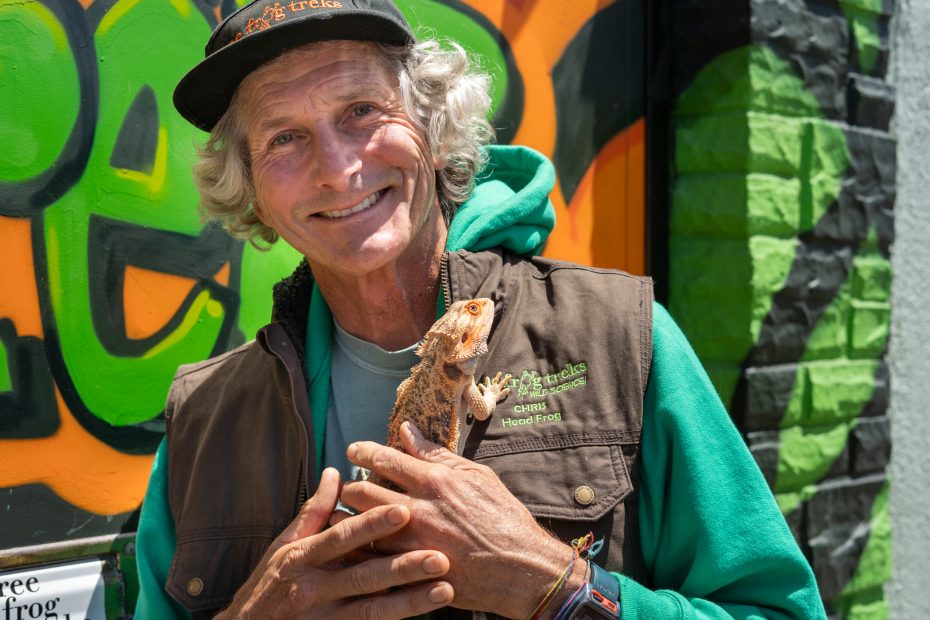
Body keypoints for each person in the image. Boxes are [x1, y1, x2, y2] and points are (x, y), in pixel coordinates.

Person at [134, 0, 827, 618]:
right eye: (284, 137)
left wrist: (561, 589)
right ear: (251, 190)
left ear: (434, 132)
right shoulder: (203, 419)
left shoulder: (621, 336)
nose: (337, 167)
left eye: (361, 111)